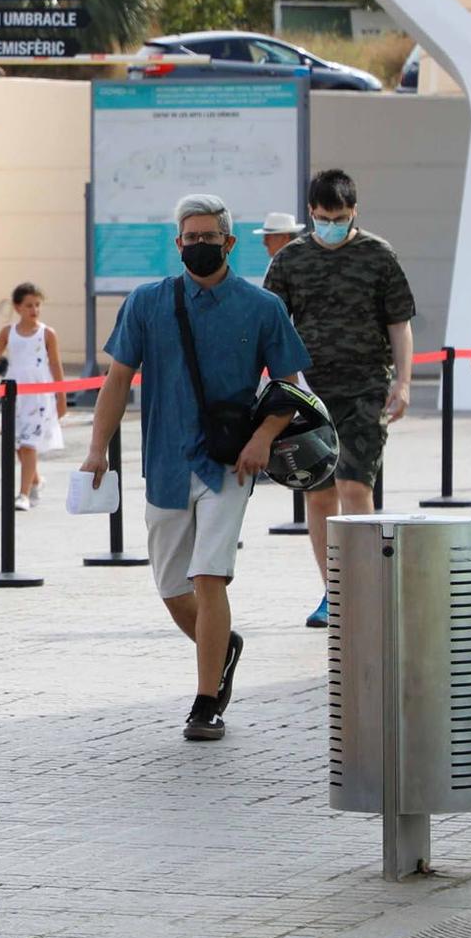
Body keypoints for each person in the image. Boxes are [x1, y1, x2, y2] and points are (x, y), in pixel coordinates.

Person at [80, 194, 311, 740]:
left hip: (228, 465)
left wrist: (263, 439)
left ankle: (206, 703)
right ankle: (223, 644)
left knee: (209, 576)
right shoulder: (147, 303)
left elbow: (289, 388)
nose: (200, 246)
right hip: (163, 461)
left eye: (211, 238)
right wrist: (97, 447)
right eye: (192, 237)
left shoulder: (262, 309)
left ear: (230, 243)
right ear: (177, 243)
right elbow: (117, 379)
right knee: (171, 587)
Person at [262, 169, 416, 629]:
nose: (333, 224)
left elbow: (399, 322)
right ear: (311, 213)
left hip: (365, 388)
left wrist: (403, 383)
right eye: (325, 217)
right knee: (320, 493)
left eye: (342, 217)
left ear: (355, 213)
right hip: (309, 394)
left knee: (355, 487)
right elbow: (271, 325)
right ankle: (334, 593)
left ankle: (363, 587)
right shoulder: (290, 261)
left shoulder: (377, 255)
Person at [0, 282, 67, 509]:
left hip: (38, 396)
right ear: (18, 307)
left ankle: (23, 494)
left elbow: (56, 365)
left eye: (37, 305)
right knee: (18, 444)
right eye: (29, 305)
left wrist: (61, 397)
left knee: (29, 445)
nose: (34, 310)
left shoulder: (47, 334)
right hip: (15, 395)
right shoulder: (9, 333)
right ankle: (36, 480)